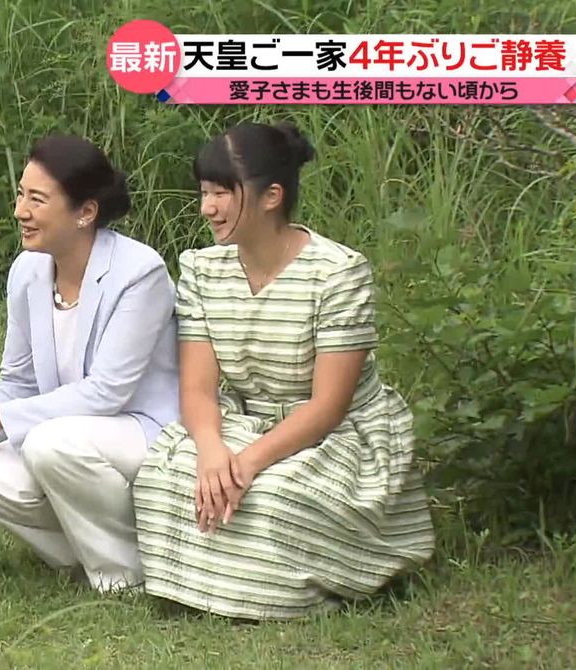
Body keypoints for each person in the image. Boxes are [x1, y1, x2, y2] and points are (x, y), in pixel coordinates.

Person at [131, 121, 435, 620]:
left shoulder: (338, 272)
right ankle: (225, 587)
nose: (208, 207)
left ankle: (295, 590)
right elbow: (199, 389)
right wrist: (212, 451)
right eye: (205, 192)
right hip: (244, 417)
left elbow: (328, 406)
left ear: (271, 196)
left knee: (276, 497)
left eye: (223, 193)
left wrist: (247, 463)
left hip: (334, 432)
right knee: (167, 476)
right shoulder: (203, 270)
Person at [0, 134, 180, 593]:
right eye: (21, 193)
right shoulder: (28, 269)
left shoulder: (141, 272)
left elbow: (109, 391)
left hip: (143, 429)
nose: (20, 210)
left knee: (47, 444)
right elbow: (16, 380)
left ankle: (125, 574)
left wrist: (3, 419)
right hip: (67, 432)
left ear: (85, 212)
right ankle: (82, 556)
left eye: (37, 199)